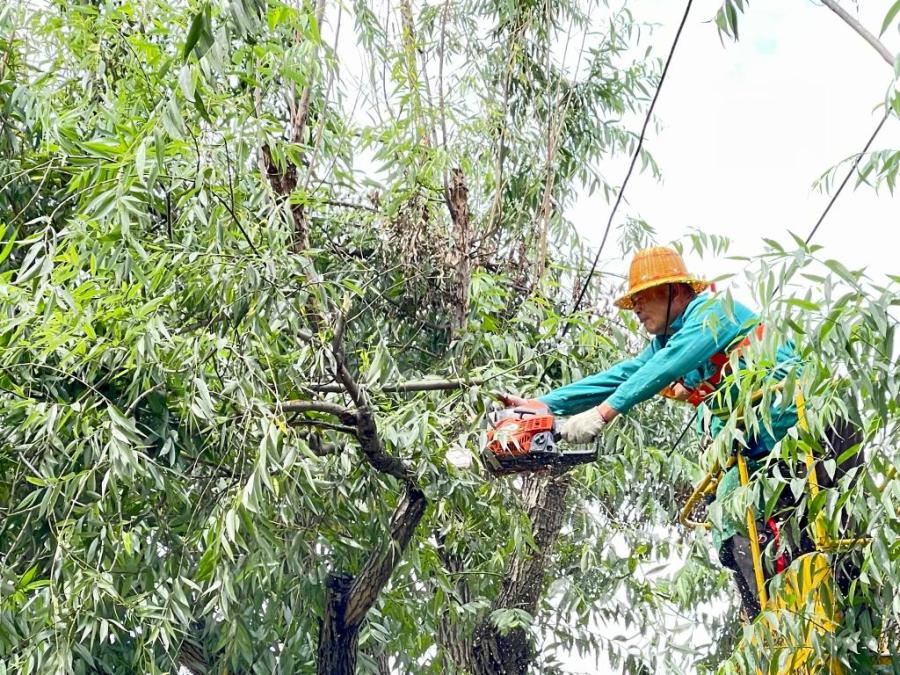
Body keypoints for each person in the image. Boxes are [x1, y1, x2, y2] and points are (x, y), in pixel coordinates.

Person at [502, 246, 804, 617]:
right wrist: (546, 405)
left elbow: (663, 369)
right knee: (724, 514)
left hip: (800, 429)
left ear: (675, 290)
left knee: (764, 515)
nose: (638, 310)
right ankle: (766, 615)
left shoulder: (713, 314)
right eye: (634, 303)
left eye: (643, 299)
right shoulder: (666, 342)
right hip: (760, 453)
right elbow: (624, 374)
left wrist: (602, 414)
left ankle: (786, 601)